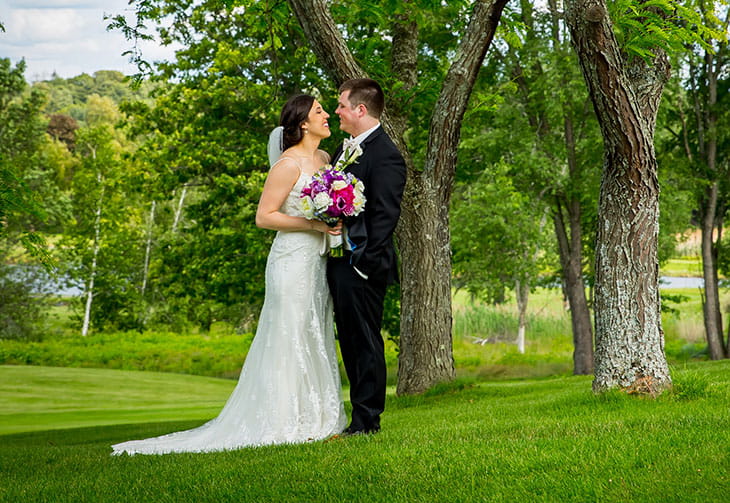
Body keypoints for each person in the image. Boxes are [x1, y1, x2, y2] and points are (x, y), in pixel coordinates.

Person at [112, 95, 347, 455]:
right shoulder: (286, 165)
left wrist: (334, 217)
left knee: (313, 329)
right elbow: (265, 216)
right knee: (288, 335)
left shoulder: (325, 160)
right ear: (303, 123)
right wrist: (314, 224)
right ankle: (281, 420)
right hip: (290, 263)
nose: (327, 115)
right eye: (319, 111)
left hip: (315, 263)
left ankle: (316, 414)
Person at [327, 78, 407, 436]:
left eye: (342, 105)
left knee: (365, 340)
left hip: (362, 264)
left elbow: (385, 216)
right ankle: (357, 418)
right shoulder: (347, 150)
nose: (337, 111)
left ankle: (367, 421)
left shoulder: (385, 154)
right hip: (341, 259)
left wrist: (362, 264)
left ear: (361, 109)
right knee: (350, 338)